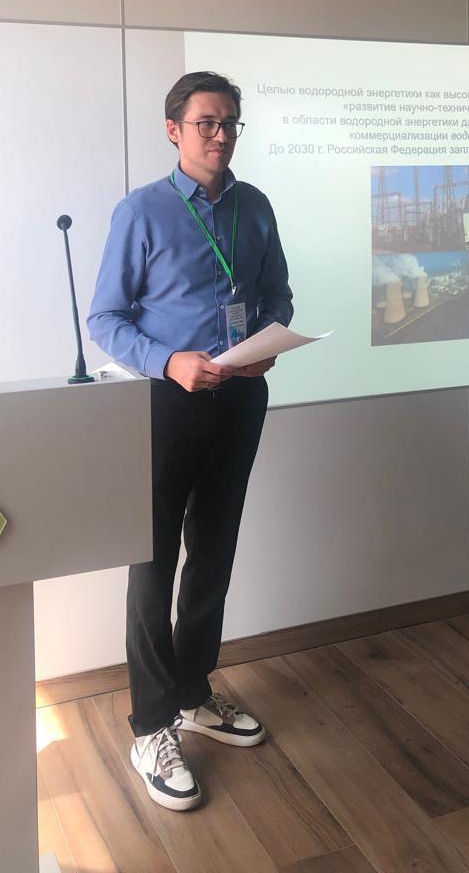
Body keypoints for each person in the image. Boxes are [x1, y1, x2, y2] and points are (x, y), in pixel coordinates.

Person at [88, 70, 292, 811]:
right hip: (165, 403)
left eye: (231, 122)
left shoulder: (255, 206)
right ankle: (150, 724)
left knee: (214, 550)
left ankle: (193, 692)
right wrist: (169, 361)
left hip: (239, 398)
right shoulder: (140, 211)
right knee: (153, 559)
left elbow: (277, 293)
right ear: (174, 130)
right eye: (207, 122)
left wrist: (267, 341)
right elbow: (105, 319)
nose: (221, 135)